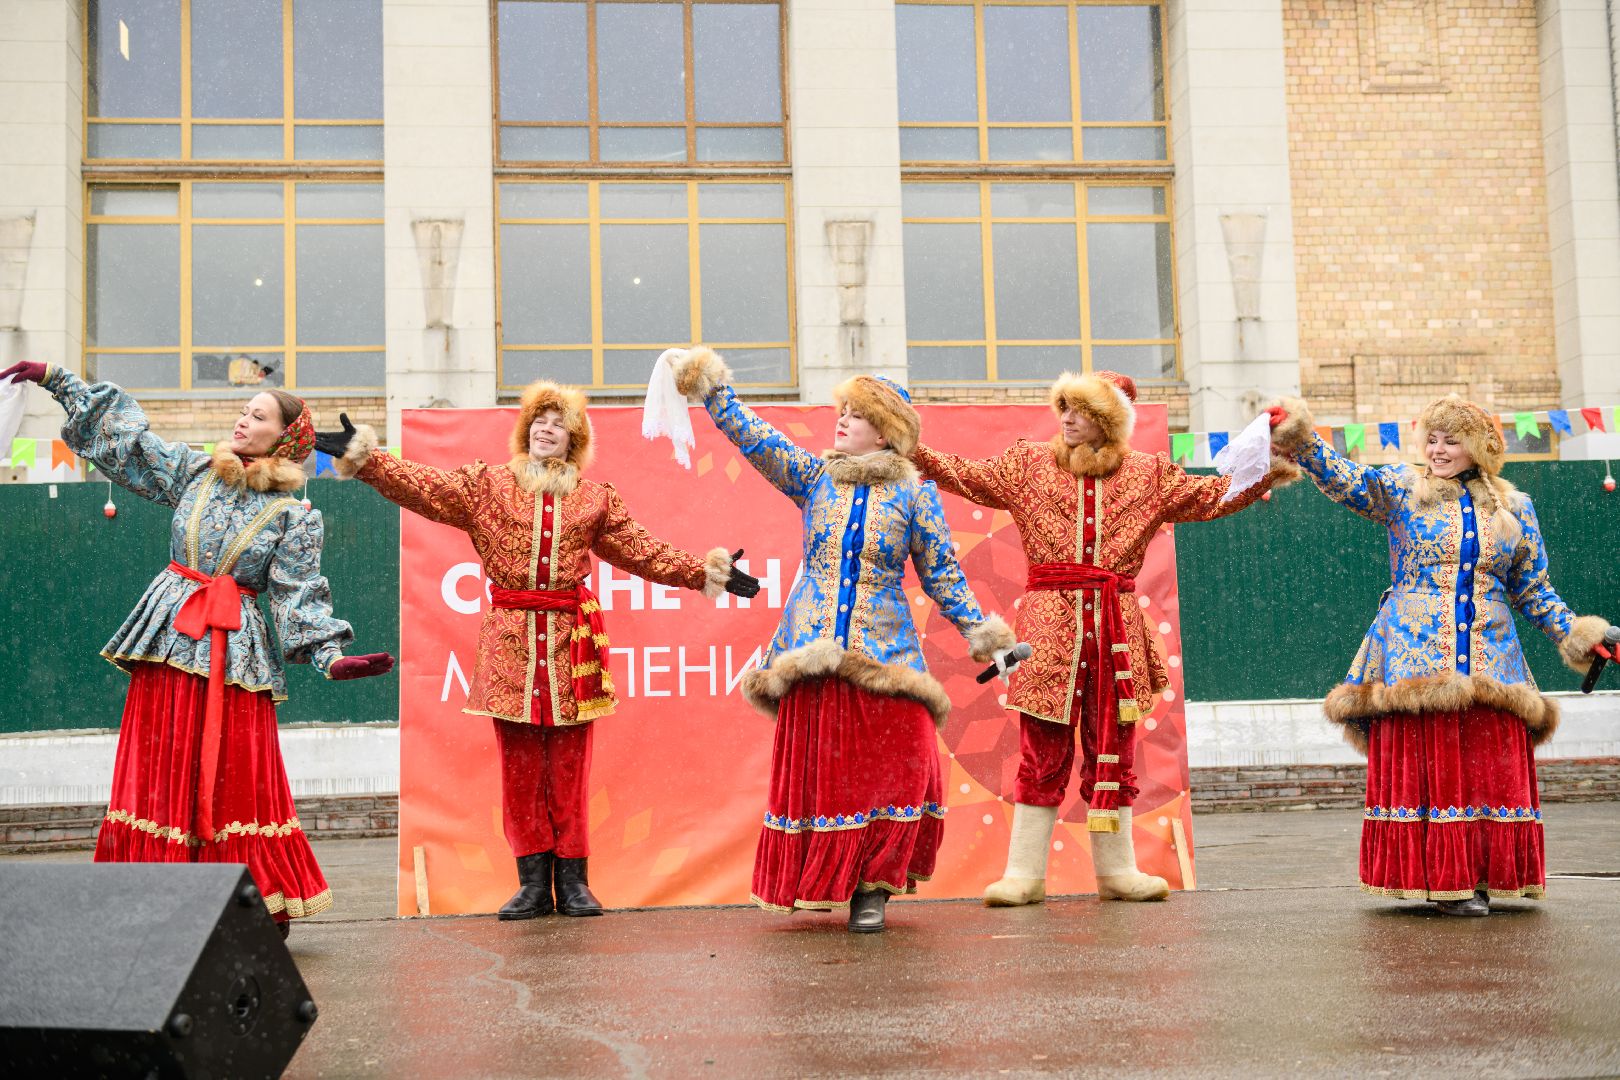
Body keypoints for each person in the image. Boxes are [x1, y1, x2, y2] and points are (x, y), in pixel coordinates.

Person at [316, 381, 758, 919]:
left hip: (571, 646)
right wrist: (368, 459)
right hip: (510, 644)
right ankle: (530, 882)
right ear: (527, 431)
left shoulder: (596, 499)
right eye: (540, 421)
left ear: (575, 438)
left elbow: (642, 550)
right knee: (520, 767)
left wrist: (704, 571)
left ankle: (573, 881)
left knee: (570, 767)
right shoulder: (488, 486)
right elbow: (424, 486)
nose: (547, 429)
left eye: (559, 423)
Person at [0, 360, 394, 936]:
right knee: (160, 766)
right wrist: (59, 379)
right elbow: (130, 443)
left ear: (283, 436)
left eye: (256, 415)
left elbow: (298, 594)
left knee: (235, 775)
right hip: (171, 636)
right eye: (242, 411)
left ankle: (246, 901)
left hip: (235, 652)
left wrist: (331, 656)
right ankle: (155, 895)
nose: (241, 421)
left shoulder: (297, 515)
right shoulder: (195, 471)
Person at [911, 371, 1296, 906]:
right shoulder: (1027, 465)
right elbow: (964, 474)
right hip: (1049, 628)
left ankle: (1117, 871)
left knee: (1112, 746)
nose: (1065, 418)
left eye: (1080, 410)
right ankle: (1023, 873)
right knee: (1040, 747)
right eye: (1062, 407)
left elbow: (1213, 495)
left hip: (1116, 627)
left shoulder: (1147, 474)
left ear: (1109, 421)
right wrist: (906, 441)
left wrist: (1268, 458)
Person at [668, 347, 1018, 933]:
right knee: (830, 777)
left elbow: (943, 576)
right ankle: (830, 880)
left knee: (899, 770)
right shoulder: (814, 479)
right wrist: (712, 389)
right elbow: (754, 438)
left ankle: (872, 889)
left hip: (886, 658)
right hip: (813, 654)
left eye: (856, 414)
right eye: (844, 411)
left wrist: (985, 637)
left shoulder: (915, 496)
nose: (843, 420)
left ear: (884, 434)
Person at [1269, 394, 1610, 914]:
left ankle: (1484, 876)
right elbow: (1344, 478)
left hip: (1494, 659)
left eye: (1451, 440)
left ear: (1478, 447)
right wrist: (1301, 438)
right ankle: (1441, 882)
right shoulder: (1403, 489)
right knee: (1432, 767)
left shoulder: (1516, 508)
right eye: (1432, 438)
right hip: (1413, 656)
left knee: (1484, 768)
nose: (1439, 449)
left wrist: (1581, 636)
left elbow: (1534, 590)